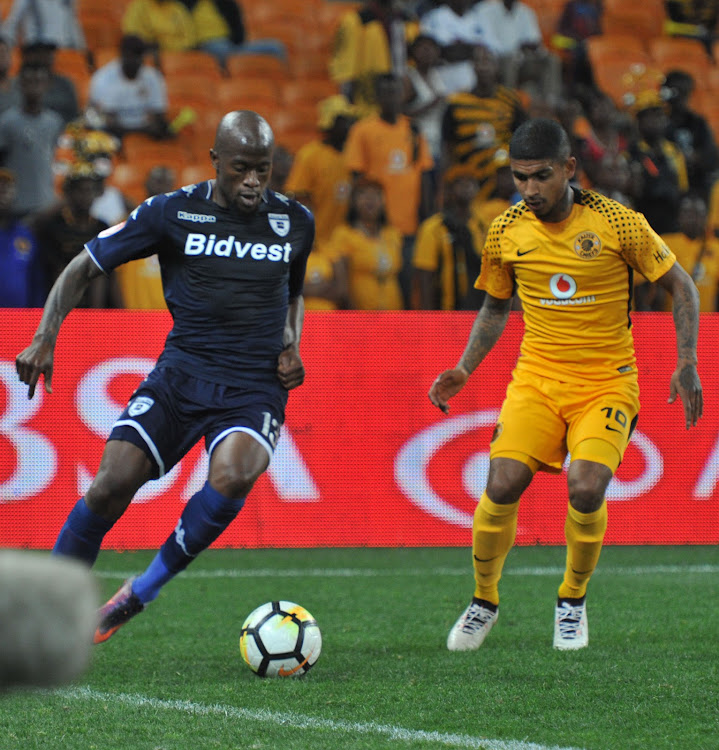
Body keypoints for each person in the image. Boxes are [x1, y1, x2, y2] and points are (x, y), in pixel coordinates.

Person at [15, 110, 314, 643]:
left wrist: (292, 341)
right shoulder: (170, 213)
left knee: (233, 476)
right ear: (216, 161)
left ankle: (140, 592)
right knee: (110, 486)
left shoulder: (295, 221)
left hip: (252, 387)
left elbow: (293, 291)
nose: (252, 182)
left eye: (263, 171)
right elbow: (84, 265)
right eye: (242, 168)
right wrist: (45, 335)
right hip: (181, 376)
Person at [429, 118, 702, 652]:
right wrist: (464, 368)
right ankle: (484, 601)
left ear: (570, 169)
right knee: (501, 484)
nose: (529, 189)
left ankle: (571, 600)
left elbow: (682, 287)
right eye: (520, 177)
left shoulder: (618, 224)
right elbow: (494, 305)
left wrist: (686, 360)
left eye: (541, 177)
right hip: (536, 380)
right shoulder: (506, 228)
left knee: (586, 486)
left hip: (607, 383)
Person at [344, 72, 435, 307]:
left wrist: (426, 216)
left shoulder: (413, 131)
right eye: (385, 92)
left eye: (395, 91)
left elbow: (424, 175)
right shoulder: (363, 130)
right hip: (378, 228)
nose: (391, 97)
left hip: (408, 227)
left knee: (407, 287)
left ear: (402, 94)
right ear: (377, 96)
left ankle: (404, 340)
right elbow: (356, 176)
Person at [32, 161, 121, 308]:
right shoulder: (54, 227)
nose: (86, 196)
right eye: (81, 190)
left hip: (95, 301)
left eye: (90, 190)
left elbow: (111, 274)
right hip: (62, 296)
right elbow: (54, 269)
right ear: (69, 193)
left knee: (100, 271)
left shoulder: (102, 227)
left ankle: (94, 322)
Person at [412, 164, 485, 310]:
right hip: (445, 312)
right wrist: (428, 319)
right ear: (449, 190)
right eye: (460, 182)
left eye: (471, 182)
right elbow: (425, 276)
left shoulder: (482, 226)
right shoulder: (433, 227)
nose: (466, 187)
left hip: (477, 311)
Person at [329, 0, 419, 114]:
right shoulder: (356, 21)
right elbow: (345, 68)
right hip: (365, 102)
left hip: (401, 101)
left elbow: (413, 61)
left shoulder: (407, 21)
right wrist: (347, 102)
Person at [327, 177, 403, 309]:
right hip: (360, 318)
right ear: (353, 201)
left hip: (393, 315)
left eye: (376, 195)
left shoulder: (393, 234)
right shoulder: (343, 234)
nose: (370, 199)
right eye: (363, 194)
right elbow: (342, 285)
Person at [0, 62, 64, 217]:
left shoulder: (54, 122)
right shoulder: (7, 122)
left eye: (39, 82)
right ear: (20, 84)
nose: (34, 87)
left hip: (46, 203)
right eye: (29, 82)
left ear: (47, 85)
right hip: (16, 205)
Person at [113, 164, 176, 309]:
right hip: (135, 316)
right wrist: (120, 313)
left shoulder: (182, 228)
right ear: (146, 184)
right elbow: (113, 275)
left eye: (167, 183)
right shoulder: (125, 225)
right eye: (158, 181)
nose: (162, 188)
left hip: (169, 318)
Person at [626, 89, 688, 235]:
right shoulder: (631, 154)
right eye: (648, 117)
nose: (654, 122)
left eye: (658, 116)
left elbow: (682, 188)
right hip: (643, 225)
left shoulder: (674, 151)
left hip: (672, 225)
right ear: (638, 122)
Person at [87, 34, 171, 142]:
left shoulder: (153, 77)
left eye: (140, 55)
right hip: (112, 134)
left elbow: (158, 113)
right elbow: (104, 118)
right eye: (133, 55)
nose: (137, 60)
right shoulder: (103, 78)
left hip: (145, 135)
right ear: (122, 55)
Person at [178, 0, 286, 70]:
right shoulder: (186, 4)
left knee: (275, 47)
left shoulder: (225, 3)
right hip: (208, 44)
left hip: (230, 45)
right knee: (219, 49)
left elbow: (238, 28)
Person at [663, 69, 719, 201]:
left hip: (698, 182)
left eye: (685, 93)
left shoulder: (697, 122)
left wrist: (694, 158)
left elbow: (711, 155)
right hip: (670, 184)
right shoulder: (661, 122)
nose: (681, 99)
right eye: (677, 93)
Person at [660, 193, 719, 312]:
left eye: (698, 214)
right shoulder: (664, 243)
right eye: (687, 213)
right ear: (679, 216)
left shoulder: (716, 247)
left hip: (709, 323)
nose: (693, 218)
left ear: (706, 218)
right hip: (670, 323)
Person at [418, 0, 489, 95]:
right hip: (442, 72)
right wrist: (462, 48)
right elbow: (426, 47)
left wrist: (460, 48)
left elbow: (486, 47)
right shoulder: (433, 17)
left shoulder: (478, 17)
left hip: (469, 73)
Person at [0, 167, 45, 307]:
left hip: (19, 320)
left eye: (7, 189)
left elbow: (36, 281)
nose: (3, 194)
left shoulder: (25, 234)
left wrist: (37, 316)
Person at [1, 0, 87, 51]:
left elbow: (72, 22)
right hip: (37, 48)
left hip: (63, 49)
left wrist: (82, 49)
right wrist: (6, 45)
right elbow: (14, 21)